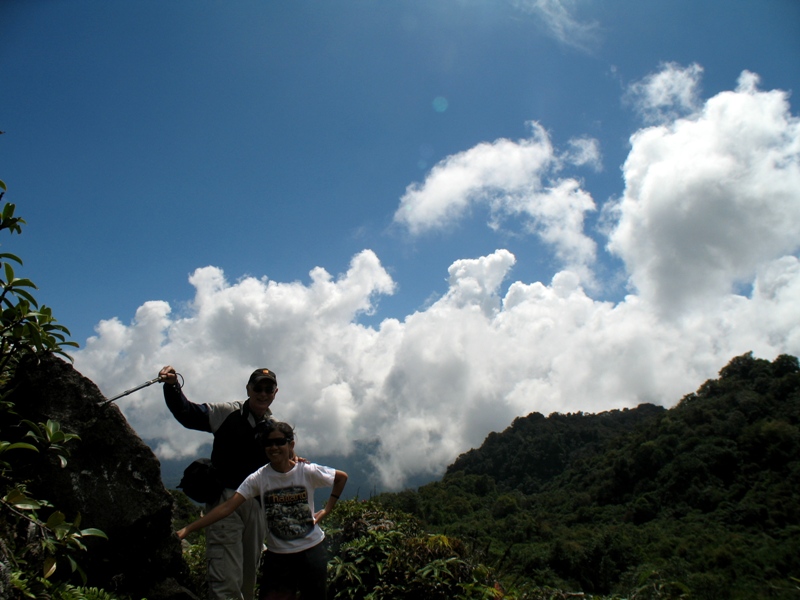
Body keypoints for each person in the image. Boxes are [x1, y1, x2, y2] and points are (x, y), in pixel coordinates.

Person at [177, 421, 348, 600]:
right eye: (268, 443)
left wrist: (327, 509)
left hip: (312, 551)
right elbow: (227, 507)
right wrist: (188, 529)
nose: (274, 447)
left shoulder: (306, 471)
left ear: (291, 445)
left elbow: (341, 478)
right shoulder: (259, 478)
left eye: (280, 442)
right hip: (279, 557)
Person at [160, 365, 280, 600]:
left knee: (247, 579)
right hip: (225, 500)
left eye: (269, 389)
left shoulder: (272, 426)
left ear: (276, 392)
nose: (263, 393)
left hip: (256, 506)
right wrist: (172, 387)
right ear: (248, 388)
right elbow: (188, 414)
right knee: (225, 579)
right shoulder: (227, 412)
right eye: (258, 387)